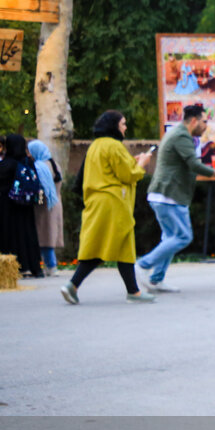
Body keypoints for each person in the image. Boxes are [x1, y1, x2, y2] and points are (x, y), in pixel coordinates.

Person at [136, 104, 215, 293]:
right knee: (183, 236)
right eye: (205, 122)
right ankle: (142, 265)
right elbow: (194, 164)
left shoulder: (178, 133)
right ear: (194, 121)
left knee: (170, 238)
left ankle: (156, 279)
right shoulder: (181, 136)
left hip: (166, 194)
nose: (206, 126)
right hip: (169, 195)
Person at [61, 111, 154, 304]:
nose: (125, 127)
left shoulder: (96, 145)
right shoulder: (114, 146)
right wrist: (143, 164)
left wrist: (132, 161)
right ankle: (73, 284)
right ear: (114, 126)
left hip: (97, 202)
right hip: (113, 203)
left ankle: (133, 291)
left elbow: (114, 169)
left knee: (120, 246)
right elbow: (128, 175)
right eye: (123, 124)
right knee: (107, 246)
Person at [0, 133, 44, 277]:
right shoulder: (28, 163)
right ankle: (32, 266)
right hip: (25, 207)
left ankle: (10, 267)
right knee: (26, 235)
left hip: (5, 207)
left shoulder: (6, 164)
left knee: (8, 236)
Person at [28, 140, 64, 275]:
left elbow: (40, 189)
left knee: (44, 236)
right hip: (55, 204)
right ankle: (50, 265)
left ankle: (51, 265)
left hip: (44, 206)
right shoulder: (55, 164)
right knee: (49, 234)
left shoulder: (40, 167)